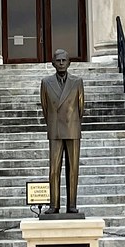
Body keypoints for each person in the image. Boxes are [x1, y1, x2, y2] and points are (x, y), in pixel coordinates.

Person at [40, 49, 84, 214]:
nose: (61, 63)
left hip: (72, 128)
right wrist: (53, 123)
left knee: (73, 169)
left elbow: (81, 107)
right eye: (58, 60)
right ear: (53, 63)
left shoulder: (77, 82)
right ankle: (54, 205)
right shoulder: (46, 82)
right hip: (55, 129)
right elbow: (45, 107)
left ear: (69, 62)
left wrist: (73, 122)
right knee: (54, 169)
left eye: (64, 60)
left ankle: (72, 205)